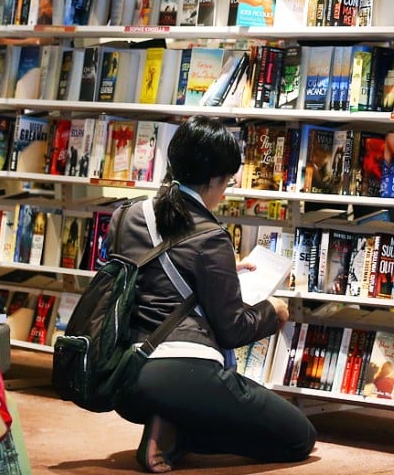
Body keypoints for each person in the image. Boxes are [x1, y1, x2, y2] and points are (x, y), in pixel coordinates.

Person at [112, 116, 316, 473]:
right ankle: (181, 430)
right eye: (227, 180)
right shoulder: (211, 235)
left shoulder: (127, 214)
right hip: (183, 370)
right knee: (299, 437)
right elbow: (232, 330)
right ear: (212, 179)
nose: (227, 189)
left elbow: (148, 277)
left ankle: (169, 419)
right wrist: (273, 310)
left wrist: (220, 274)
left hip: (123, 376)